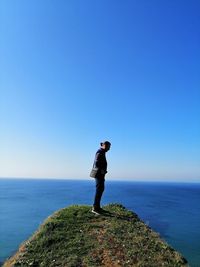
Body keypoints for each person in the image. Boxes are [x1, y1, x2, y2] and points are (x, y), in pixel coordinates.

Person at [91, 141, 111, 214]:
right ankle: (95, 208)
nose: (108, 149)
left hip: (100, 174)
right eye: (108, 147)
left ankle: (97, 207)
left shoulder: (102, 151)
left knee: (100, 189)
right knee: (99, 190)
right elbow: (97, 162)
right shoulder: (100, 152)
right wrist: (102, 170)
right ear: (103, 145)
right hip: (99, 174)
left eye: (109, 147)